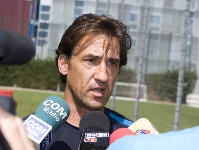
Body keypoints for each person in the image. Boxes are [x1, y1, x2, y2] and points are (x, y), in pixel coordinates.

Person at [45, 13, 133, 150]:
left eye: (112, 63)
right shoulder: (26, 137)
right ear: (63, 64)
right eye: (91, 60)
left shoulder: (131, 138)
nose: (103, 76)